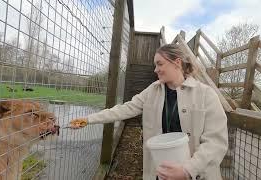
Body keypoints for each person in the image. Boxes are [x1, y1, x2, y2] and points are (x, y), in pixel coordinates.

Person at [70, 44, 228, 180]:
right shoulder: (152, 91)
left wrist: (187, 170)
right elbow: (124, 109)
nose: (155, 69)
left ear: (177, 63)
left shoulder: (206, 95)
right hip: (162, 171)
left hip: (196, 173)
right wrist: (88, 119)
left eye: (160, 64)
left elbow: (215, 142)